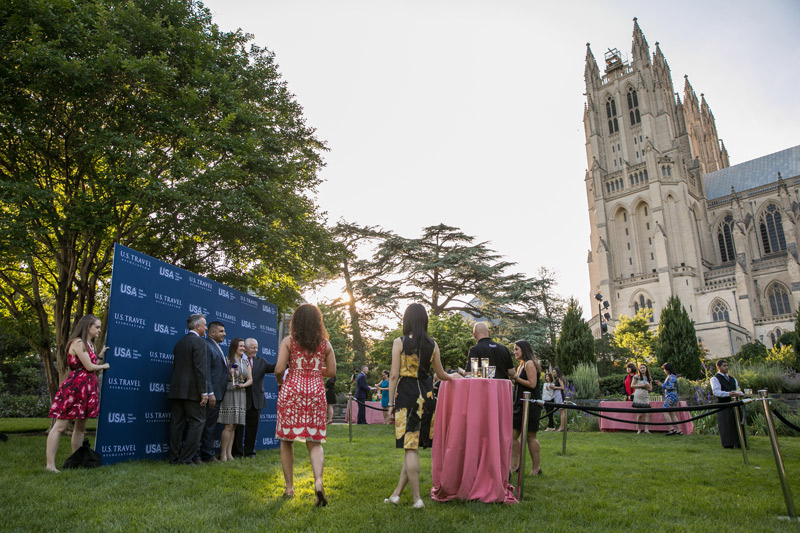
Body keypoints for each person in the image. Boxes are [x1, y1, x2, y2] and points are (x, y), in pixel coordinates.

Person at [385, 303, 461, 509]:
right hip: (427, 396)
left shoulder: (399, 342)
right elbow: (442, 374)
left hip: (407, 396)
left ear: (407, 320)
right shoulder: (433, 344)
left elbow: (393, 375)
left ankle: (417, 499)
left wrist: (390, 404)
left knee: (410, 448)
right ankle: (396, 495)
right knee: (413, 448)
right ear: (424, 321)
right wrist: (457, 376)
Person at [275, 304, 336, 505]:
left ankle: (289, 488)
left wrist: (281, 382)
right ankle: (318, 481)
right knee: (314, 441)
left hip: (292, 389)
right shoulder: (325, 344)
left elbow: (279, 369)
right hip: (316, 392)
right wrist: (317, 371)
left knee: (286, 439)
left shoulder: (288, 342)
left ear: (296, 321)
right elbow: (332, 372)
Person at [46, 315, 110, 472]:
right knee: (60, 426)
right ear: (87, 327)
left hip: (87, 388)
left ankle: (76, 460)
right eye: (97, 327)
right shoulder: (78, 343)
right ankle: (50, 465)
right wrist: (104, 366)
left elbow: (92, 364)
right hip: (75, 388)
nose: (99, 330)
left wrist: (100, 355)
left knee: (81, 427)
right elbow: (89, 366)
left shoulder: (90, 345)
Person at [167, 313, 209, 465]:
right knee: (198, 421)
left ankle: (174, 458)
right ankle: (186, 459)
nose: (206, 328)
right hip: (192, 391)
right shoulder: (199, 342)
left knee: (177, 424)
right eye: (204, 325)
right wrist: (203, 392)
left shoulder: (180, 342)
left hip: (177, 389)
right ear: (198, 326)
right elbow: (200, 369)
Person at [234, 338, 275, 458]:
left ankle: (249, 452)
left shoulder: (261, 361)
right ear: (245, 348)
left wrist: (287, 363)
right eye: (253, 348)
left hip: (256, 400)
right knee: (239, 428)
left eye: (257, 347)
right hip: (241, 398)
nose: (256, 350)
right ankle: (236, 452)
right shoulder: (237, 360)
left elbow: (273, 368)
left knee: (253, 428)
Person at [510, 340, 542, 476]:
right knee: (512, 436)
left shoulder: (529, 364)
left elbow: (532, 384)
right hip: (519, 404)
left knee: (530, 436)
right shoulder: (521, 365)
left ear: (524, 349)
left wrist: (516, 378)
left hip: (530, 405)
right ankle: (514, 466)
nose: (514, 352)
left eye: (517, 349)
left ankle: (536, 468)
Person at [197, 321, 228, 463]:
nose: (224, 334)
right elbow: (206, 372)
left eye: (224, 331)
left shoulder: (217, 347)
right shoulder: (207, 345)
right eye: (221, 331)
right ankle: (198, 455)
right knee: (204, 425)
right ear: (212, 333)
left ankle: (207, 454)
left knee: (210, 426)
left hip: (218, 393)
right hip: (212, 394)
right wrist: (210, 392)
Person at [218, 338, 252, 461]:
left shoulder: (246, 362)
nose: (243, 348)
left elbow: (250, 379)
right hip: (229, 391)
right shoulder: (227, 360)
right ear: (234, 347)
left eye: (244, 346)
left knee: (234, 426)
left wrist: (243, 385)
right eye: (241, 346)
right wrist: (230, 373)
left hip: (241, 392)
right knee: (229, 425)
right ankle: (222, 454)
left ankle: (229, 453)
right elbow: (221, 376)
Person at [710, 359, 745, 448]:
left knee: (737, 423)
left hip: (735, 403)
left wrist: (740, 393)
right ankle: (728, 444)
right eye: (724, 366)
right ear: (718, 367)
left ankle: (740, 442)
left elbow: (738, 389)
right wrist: (729, 394)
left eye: (727, 365)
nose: (726, 367)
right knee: (726, 425)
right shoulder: (715, 379)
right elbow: (716, 392)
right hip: (723, 404)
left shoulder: (733, 379)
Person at [654, 363, 681, 435]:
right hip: (673, 396)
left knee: (665, 411)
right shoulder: (671, 376)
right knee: (672, 413)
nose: (664, 371)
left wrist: (661, 385)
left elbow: (671, 387)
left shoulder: (671, 377)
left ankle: (671, 429)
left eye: (665, 369)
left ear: (668, 370)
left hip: (671, 396)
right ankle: (678, 430)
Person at [631, 363, 653, 434]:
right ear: (639, 369)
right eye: (641, 368)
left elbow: (651, 388)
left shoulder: (649, 378)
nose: (642, 369)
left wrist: (647, 387)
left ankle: (646, 429)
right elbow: (632, 385)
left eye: (644, 367)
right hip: (638, 396)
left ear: (646, 369)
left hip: (645, 396)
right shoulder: (636, 376)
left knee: (648, 413)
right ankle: (639, 429)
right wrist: (641, 385)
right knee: (639, 414)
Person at [553, 367, 567, 432]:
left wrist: (554, 387)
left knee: (562, 411)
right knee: (560, 411)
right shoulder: (556, 380)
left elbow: (562, 387)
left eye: (554, 372)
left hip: (560, 396)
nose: (553, 374)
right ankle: (562, 426)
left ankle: (562, 427)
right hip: (557, 396)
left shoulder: (559, 379)